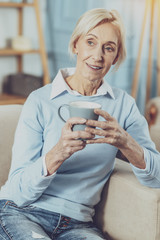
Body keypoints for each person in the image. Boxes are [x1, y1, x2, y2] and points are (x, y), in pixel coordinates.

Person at [0, 7, 160, 240]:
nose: (97, 56)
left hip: (78, 225)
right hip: (22, 213)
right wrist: (58, 152)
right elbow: (17, 192)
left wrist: (126, 143)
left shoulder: (123, 105)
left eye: (109, 48)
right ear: (76, 44)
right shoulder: (40, 101)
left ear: (116, 57)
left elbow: (156, 177)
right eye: (90, 42)